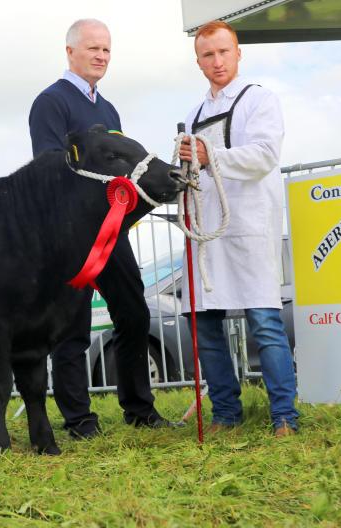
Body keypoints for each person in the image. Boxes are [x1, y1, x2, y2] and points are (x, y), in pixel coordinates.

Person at [28, 18, 175, 438]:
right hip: (70, 236)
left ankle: (140, 409)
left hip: (111, 231)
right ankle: (79, 419)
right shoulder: (50, 102)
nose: (101, 56)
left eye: (107, 50)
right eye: (93, 48)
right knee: (72, 326)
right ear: (70, 51)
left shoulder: (108, 110)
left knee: (134, 313)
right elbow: (49, 167)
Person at [178, 20, 299, 437]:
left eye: (223, 52)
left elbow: (264, 155)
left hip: (248, 225)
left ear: (238, 53)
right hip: (206, 230)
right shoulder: (193, 115)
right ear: (198, 61)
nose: (217, 61)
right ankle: (226, 412)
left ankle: (284, 416)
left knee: (263, 320)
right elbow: (193, 168)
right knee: (203, 321)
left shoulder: (259, 100)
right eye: (208, 55)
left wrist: (209, 155)